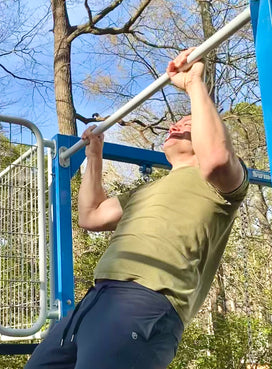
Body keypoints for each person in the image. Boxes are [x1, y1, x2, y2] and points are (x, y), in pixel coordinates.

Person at [25, 48, 249, 368]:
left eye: (188, 122)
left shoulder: (219, 182)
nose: (175, 125)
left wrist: (195, 84)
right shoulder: (143, 192)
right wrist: (95, 155)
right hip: (94, 302)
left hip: (145, 301)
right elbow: (91, 215)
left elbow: (215, 157)